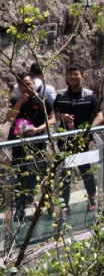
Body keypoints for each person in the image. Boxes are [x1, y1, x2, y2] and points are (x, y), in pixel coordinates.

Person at [53, 64, 103, 214]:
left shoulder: (89, 96)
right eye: (70, 74)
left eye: (76, 74)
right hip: (65, 139)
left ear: (83, 76)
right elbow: (51, 116)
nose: (72, 77)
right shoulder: (61, 96)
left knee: (85, 170)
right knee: (65, 172)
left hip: (82, 140)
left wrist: (88, 130)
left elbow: (100, 116)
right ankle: (64, 204)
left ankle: (92, 199)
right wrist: (61, 117)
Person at [7, 73, 55, 222]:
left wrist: (37, 130)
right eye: (21, 85)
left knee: (43, 177)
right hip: (20, 147)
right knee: (21, 179)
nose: (25, 87)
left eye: (28, 83)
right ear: (18, 86)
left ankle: (51, 207)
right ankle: (19, 212)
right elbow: (10, 117)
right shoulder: (16, 100)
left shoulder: (43, 101)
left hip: (38, 146)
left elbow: (52, 119)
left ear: (33, 83)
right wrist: (20, 102)